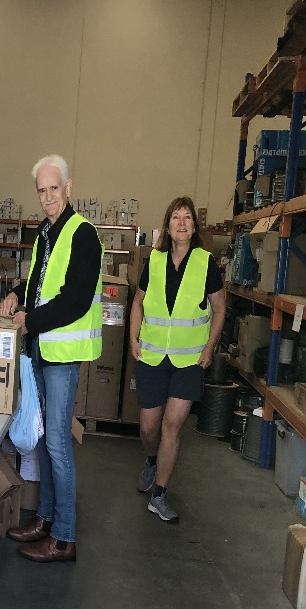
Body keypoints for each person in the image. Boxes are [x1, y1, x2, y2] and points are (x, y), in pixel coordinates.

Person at [3, 154, 103, 563]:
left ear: (68, 187)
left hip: (62, 355)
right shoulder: (46, 233)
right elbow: (41, 284)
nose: (47, 197)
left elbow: (74, 299)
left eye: (54, 189)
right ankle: (45, 519)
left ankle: (63, 537)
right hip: (43, 352)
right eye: (41, 191)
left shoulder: (83, 234)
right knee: (45, 439)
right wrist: (17, 292)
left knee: (58, 444)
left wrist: (31, 321)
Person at [129, 196, 225, 523]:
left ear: (194, 227)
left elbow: (220, 308)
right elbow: (138, 303)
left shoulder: (205, 263)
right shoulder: (154, 261)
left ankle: (159, 495)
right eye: (175, 217)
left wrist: (209, 348)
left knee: (172, 426)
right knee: (148, 427)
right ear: (167, 227)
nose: (181, 223)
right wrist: (133, 338)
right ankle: (151, 459)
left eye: (187, 217)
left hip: (189, 361)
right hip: (153, 356)